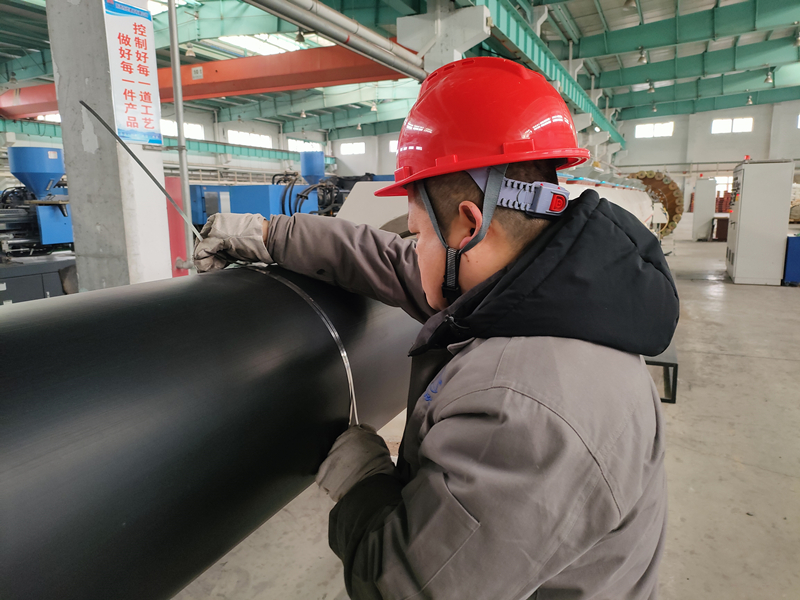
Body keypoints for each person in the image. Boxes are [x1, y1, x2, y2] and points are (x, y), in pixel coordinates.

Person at [194, 57, 679, 600]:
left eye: (419, 232)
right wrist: (271, 235)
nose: (412, 246)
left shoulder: (523, 409)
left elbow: (402, 588)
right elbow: (390, 260)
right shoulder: (555, 290)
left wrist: (364, 483)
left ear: (470, 224)